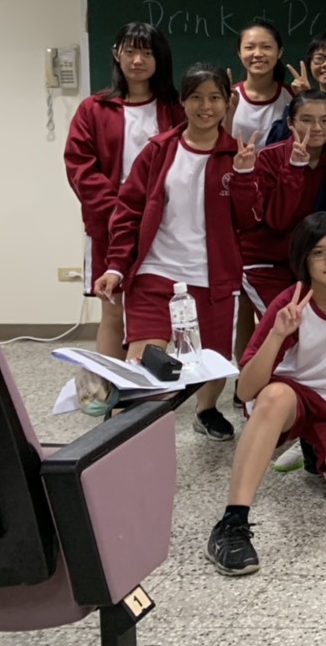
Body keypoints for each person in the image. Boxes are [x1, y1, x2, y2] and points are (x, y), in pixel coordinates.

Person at [205, 214, 326, 575]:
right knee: (275, 397)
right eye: (319, 253)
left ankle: (313, 447)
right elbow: (246, 389)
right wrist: (278, 333)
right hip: (289, 396)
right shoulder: (290, 303)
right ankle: (231, 523)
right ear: (303, 259)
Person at [94, 62, 259, 438]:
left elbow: (249, 221)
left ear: (227, 103)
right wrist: (116, 266)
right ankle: (125, 427)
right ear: (182, 102)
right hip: (156, 272)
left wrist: (244, 176)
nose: (206, 106)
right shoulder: (159, 150)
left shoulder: (236, 155)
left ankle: (206, 410)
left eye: (215, 98)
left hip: (213, 279)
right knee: (146, 362)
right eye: (196, 97)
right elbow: (128, 212)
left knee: (212, 362)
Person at [64, 22, 183, 358]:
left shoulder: (175, 109)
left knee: (165, 308)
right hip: (110, 222)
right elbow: (80, 166)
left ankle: (157, 382)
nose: (137, 60)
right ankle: (110, 385)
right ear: (116, 54)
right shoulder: (94, 108)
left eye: (146, 53)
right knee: (113, 310)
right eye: (129, 51)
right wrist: (120, 211)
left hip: (163, 224)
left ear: (160, 58)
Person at [238, 90, 326, 331]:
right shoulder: (269, 158)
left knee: (316, 332)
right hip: (265, 264)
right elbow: (278, 221)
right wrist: (295, 168)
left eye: (325, 120)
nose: (316, 128)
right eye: (306, 120)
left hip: (309, 263)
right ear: (290, 123)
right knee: (286, 330)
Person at [228, 18, 292, 144]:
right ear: (239, 53)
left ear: (279, 52)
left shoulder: (293, 97)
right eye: (249, 47)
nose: (257, 54)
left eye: (266, 47)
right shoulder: (230, 97)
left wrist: (306, 96)